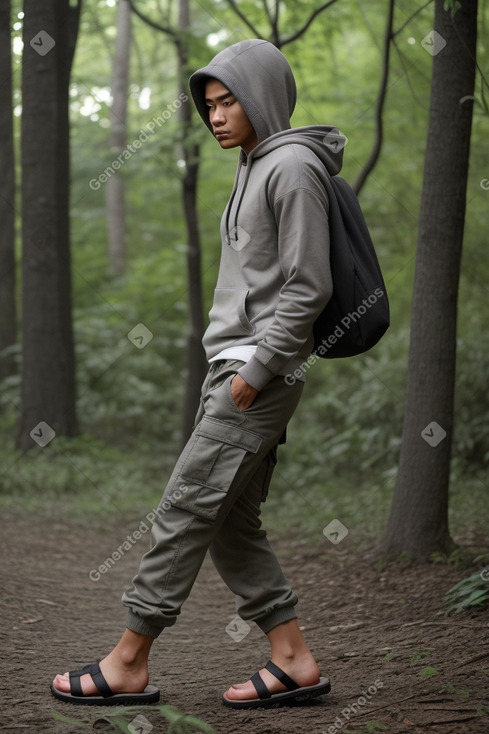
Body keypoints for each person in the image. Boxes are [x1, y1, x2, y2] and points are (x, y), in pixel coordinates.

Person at [51, 38, 345, 709]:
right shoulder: (255, 164)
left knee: (184, 509)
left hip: (256, 376)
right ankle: (292, 658)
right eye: (208, 105)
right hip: (236, 370)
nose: (214, 115)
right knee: (228, 524)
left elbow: (309, 286)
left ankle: (128, 660)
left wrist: (258, 369)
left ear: (262, 97)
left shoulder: (292, 167)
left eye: (228, 100)